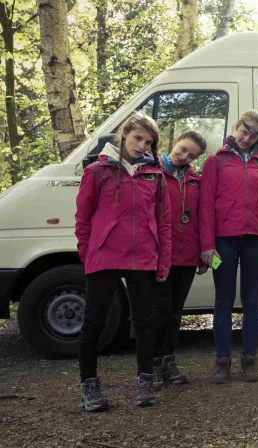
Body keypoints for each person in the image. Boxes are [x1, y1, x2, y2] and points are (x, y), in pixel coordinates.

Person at [75, 111, 171, 410]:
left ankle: (145, 381)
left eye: (148, 142)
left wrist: (162, 261)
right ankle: (89, 386)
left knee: (144, 321)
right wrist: (88, 253)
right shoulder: (97, 171)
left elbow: (164, 222)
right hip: (104, 255)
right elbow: (83, 218)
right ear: (124, 135)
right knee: (94, 322)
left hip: (143, 256)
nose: (141, 146)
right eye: (137, 138)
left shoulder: (155, 175)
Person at [199, 110, 258, 384]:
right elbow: (206, 205)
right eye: (244, 132)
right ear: (236, 128)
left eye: (253, 136)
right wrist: (207, 245)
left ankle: (249, 358)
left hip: (256, 241)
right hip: (223, 242)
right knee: (223, 301)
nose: (247, 139)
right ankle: (222, 360)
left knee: (252, 301)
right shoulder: (215, 160)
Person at [151, 131, 209, 390]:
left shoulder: (195, 181)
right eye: (183, 149)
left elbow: (202, 218)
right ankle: (152, 364)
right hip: (160, 255)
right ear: (175, 142)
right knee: (159, 311)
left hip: (187, 256)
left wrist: (203, 251)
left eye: (191, 155)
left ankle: (169, 361)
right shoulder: (153, 172)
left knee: (175, 313)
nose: (184, 156)